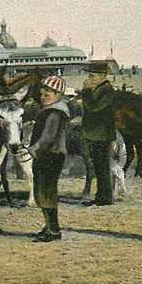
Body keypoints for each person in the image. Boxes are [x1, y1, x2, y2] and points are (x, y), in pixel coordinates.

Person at [27, 75, 70, 242]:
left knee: (45, 191)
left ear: (58, 95)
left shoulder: (55, 112)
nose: (44, 95)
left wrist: (35, 148)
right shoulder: (52, 109)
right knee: (45, 191)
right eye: (43, 92)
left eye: (49, 93)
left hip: (50, 155)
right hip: (50, 154)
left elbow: (48, 136)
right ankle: (50, 226)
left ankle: (53, 231)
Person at [79, 61, 116, 206]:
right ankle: (101, 196)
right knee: (99, 165)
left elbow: (93, 108)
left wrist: (86, 91)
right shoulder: (101, 88)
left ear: (102, 76)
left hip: (102, 134)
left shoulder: (107, 89)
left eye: (92, 75)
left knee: (102, 166)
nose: (89, 78)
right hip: (96, 133)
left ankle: (105, 198)